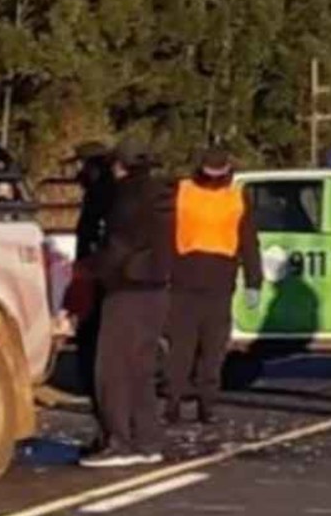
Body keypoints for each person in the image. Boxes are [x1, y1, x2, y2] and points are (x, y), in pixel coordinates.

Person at [81, 138, 175, 468]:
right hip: (157, 289)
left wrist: (92, 270)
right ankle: (147, 441)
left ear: (119, 165)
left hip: (126, 289)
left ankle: (119, 441)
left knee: (113, 370)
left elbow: (118, 245)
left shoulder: (125, 197)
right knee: (141, 370)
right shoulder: (162, 194)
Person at [163, 148, 263, 425]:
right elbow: (249, 242)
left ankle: (181, 404)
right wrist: (254, 281)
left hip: (190, 279)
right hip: (207, 281)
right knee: (208, 349)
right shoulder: (234, 197)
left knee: (188, 348)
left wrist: (254, 280)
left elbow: (248, 240)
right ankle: (199, 405)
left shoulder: (181, 191)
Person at [61, 142, 114, 447]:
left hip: (100, 287)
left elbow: (96, 245)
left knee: (97, 363)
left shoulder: (103, 197)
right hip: (96, 284)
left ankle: (110, 431)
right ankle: (107, 430)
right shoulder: (100, 195)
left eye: (81, 166)